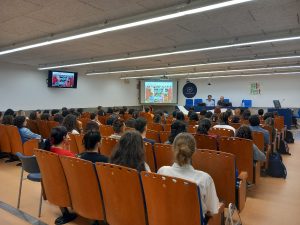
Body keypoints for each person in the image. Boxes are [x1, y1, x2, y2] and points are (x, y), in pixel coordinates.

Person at [158, 133, 219, 217]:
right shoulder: (205, 179)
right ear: (194, 151)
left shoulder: (162, 171)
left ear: (173, 149)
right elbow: (212, 210)